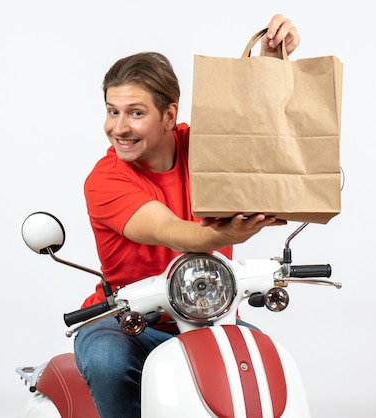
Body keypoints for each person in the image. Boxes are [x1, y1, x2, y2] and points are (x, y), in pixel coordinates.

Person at [73, 14, 300, 418]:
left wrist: (269, 60)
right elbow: (175, 233)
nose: (118, 127)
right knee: (107, 362)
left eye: (135, 113)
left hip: (206, 317)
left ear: (168, 115)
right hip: (128, 322)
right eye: (112, 111)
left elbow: (255, 127)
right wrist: (229, 233)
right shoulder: (106, 180)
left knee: (262, 363)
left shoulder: (203, 149)